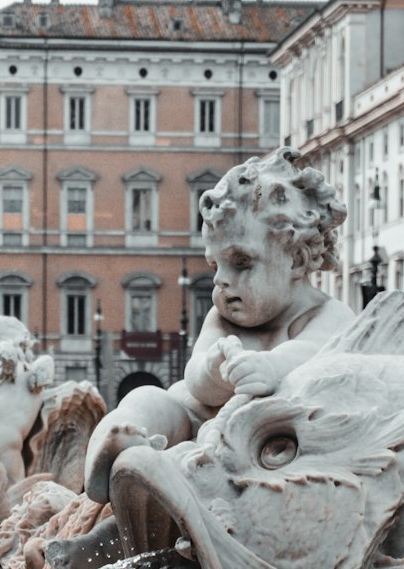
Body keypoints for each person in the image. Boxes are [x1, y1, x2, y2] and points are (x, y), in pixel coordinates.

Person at [85, 148, 353, 505]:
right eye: (215, 266)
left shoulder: (329, 315)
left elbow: (314, 355)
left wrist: (271, 366)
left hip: (265, 447)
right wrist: (213, 370)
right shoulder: (223, 317)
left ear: (297, 260)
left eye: (241, 262)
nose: (222, 281)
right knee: (147, 399)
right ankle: (113, 452)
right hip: (197, 425)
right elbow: (197, 380)